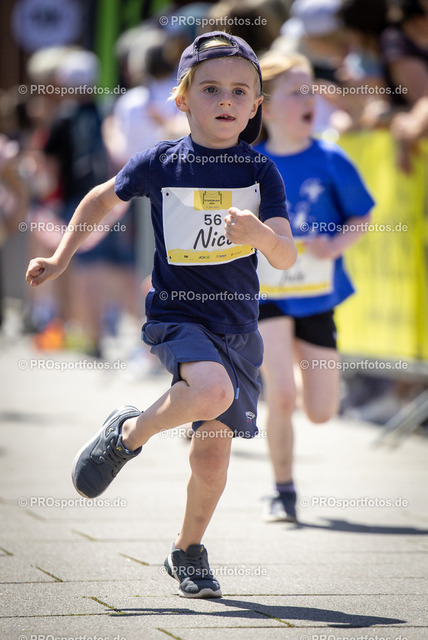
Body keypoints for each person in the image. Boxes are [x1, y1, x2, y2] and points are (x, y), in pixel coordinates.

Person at [25, 32, 297, 598]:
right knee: (212, 391)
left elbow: (286, 254)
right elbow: (101, 198)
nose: (226, 100)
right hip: (176, 315)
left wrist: (260, 236)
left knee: (212, 460)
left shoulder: (261, 173)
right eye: (211, 88)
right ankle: (130, 434)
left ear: (255, 106)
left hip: (237, 327)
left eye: (240, 91)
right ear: (182, 98)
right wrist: (61, 257)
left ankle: (187, 550)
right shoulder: (160, 162)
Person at [254, 51, 374, 523]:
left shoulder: (330, 157)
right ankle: (282, 490)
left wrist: (335, 244)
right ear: (265, 107)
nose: (310, 100)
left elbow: (361, 214)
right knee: (281, 394)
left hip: (318, 295)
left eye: (312, 91)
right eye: (296, 92)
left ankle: (296, 381)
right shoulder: (250, 163)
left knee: (322, 411)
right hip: (266, 294)